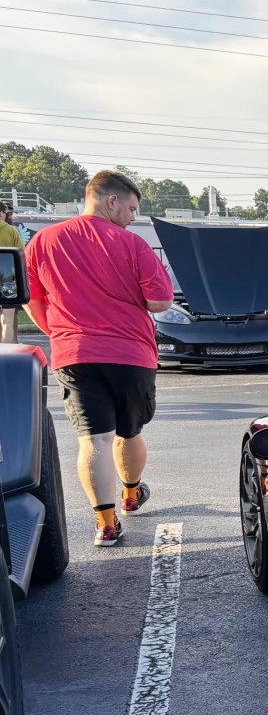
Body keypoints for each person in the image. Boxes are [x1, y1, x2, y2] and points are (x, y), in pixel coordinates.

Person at [24, 171, 174, 546]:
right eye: (131, 208)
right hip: (130, 353)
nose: (132, 218)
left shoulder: (43, 241)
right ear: (111, 201)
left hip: (73, 353)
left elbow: (31, 298)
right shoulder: (132, 245)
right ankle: (130, 493)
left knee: (94, 440)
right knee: (130, 431)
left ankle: (106, 525)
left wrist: (60, 331)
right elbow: (160, 302)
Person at [0, 201, 24, 345]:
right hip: (9, 279)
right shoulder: (11, 230)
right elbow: (21, 253)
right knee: (8, 318)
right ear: (1, 213)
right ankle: (7, 352)